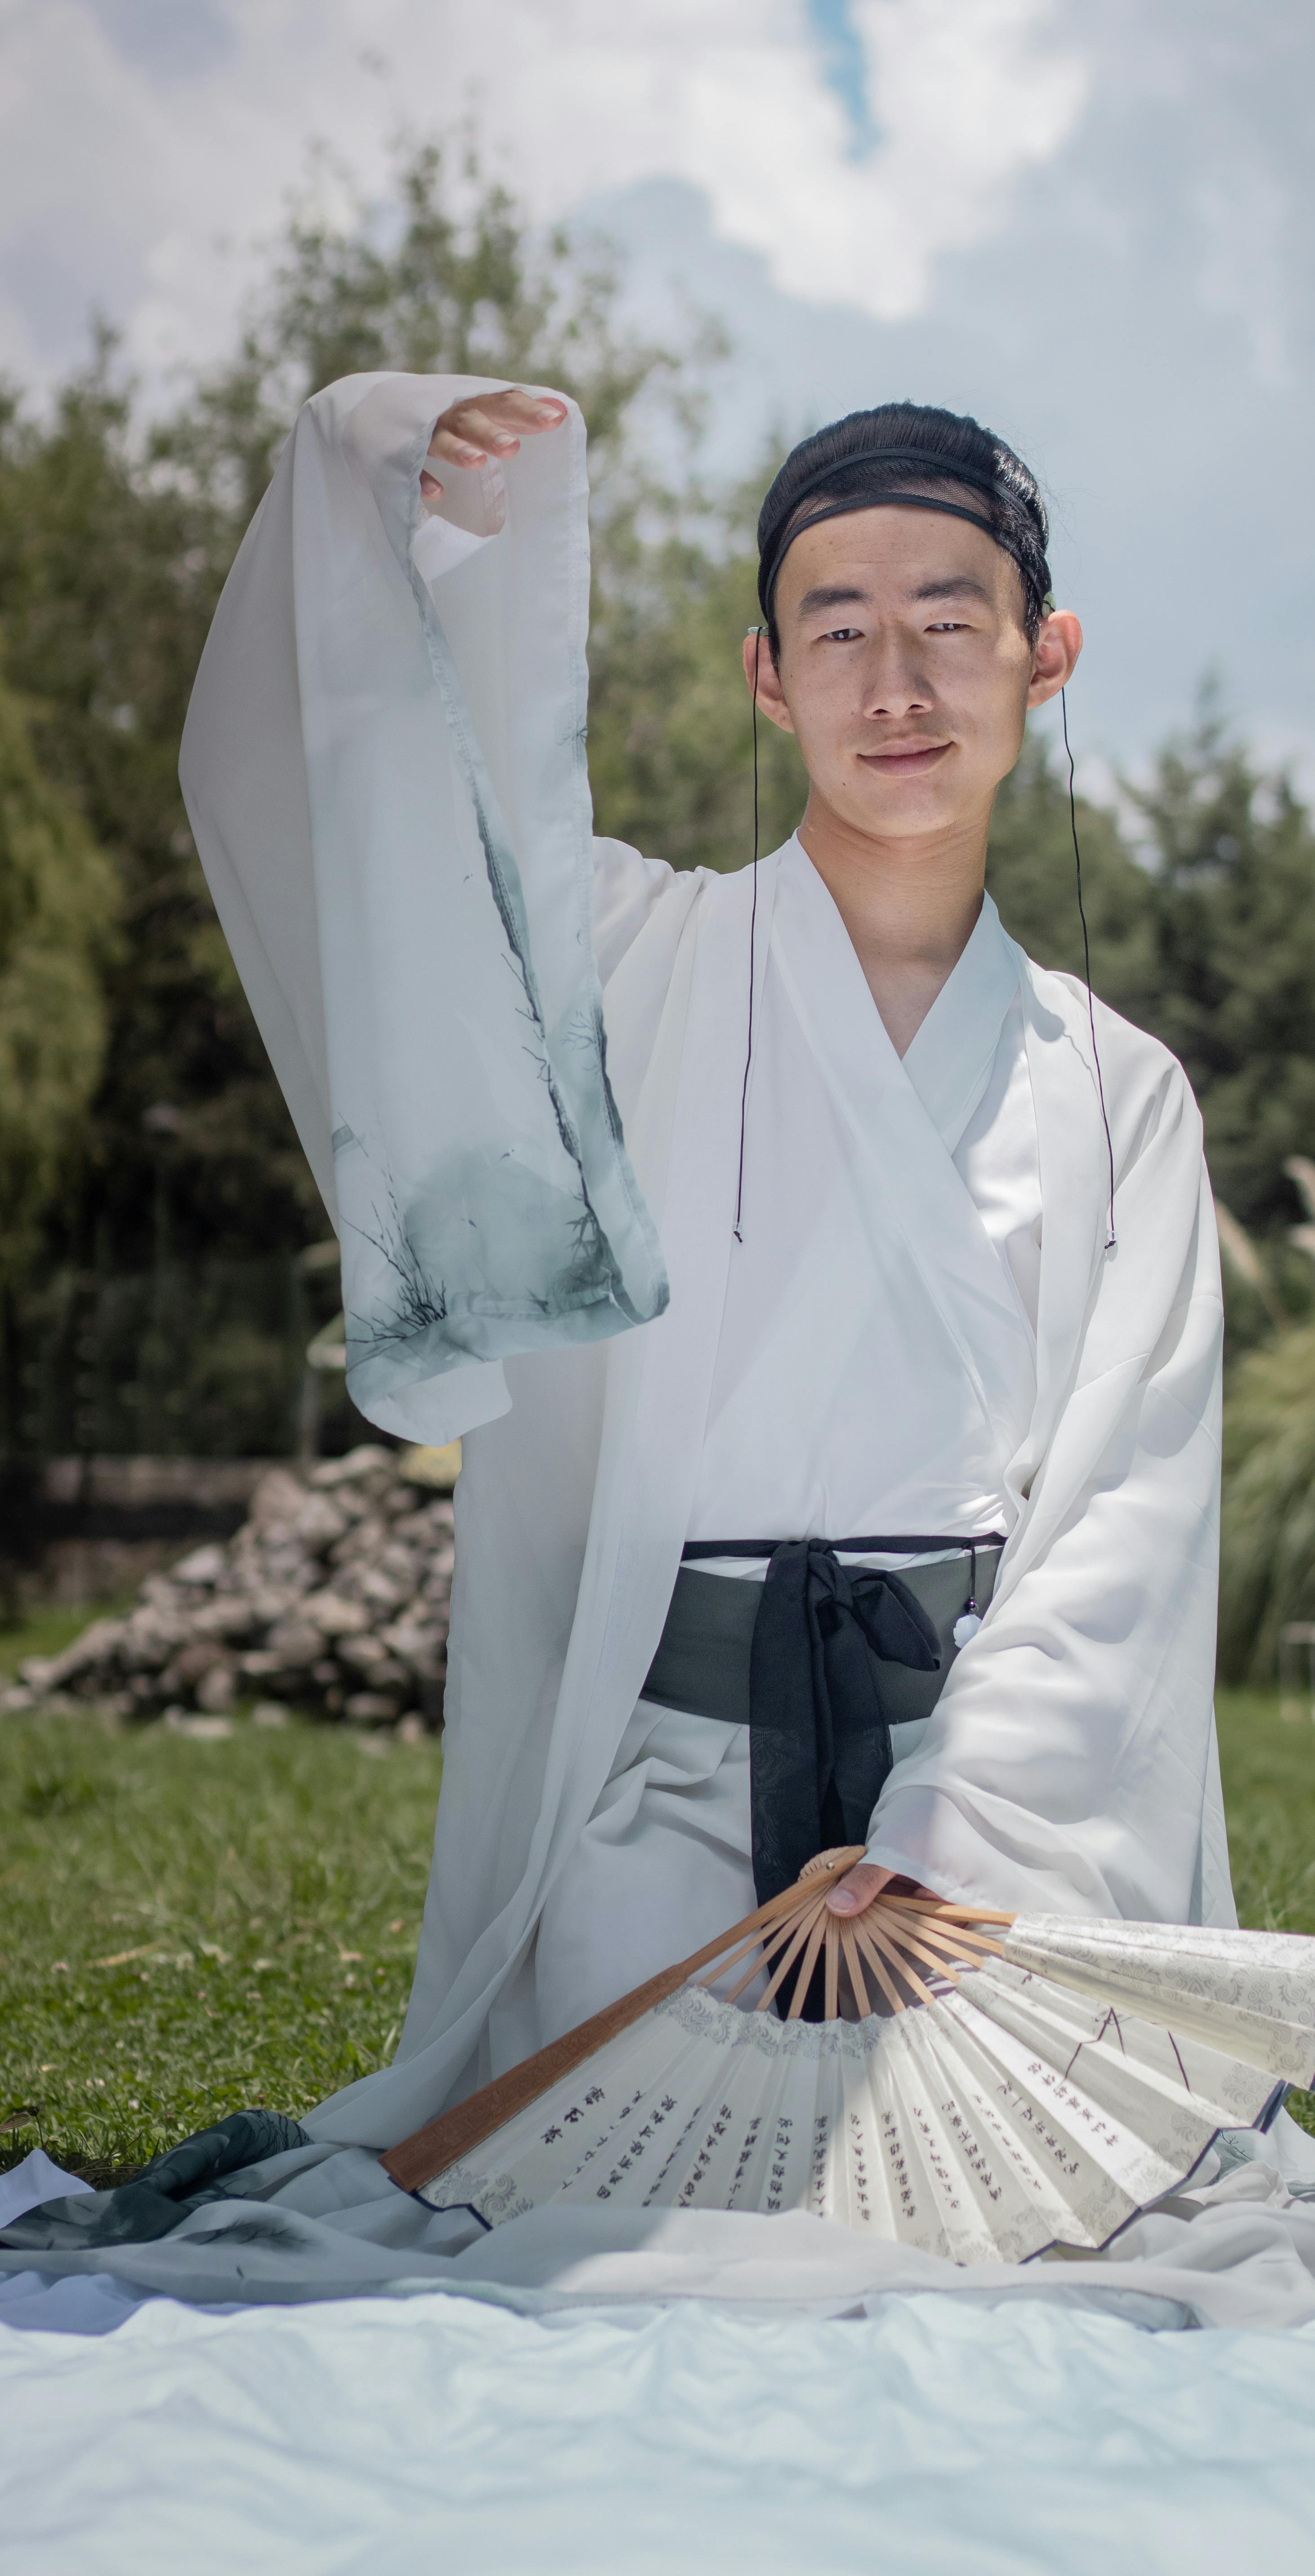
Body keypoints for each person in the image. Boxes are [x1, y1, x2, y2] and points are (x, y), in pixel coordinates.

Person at [165, 377, 1235, 2151]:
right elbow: (378, 830)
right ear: (766, 676)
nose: (894, 685)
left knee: (1016, 2225)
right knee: (624, 2207)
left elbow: (1117, 1529)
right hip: (661, 1808)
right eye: (838, 629)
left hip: (984, 1831)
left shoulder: (1118, 1095)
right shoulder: (624, 971)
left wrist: (933, 1845)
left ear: (1043, 658)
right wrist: (398, 523)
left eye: (946, 625)